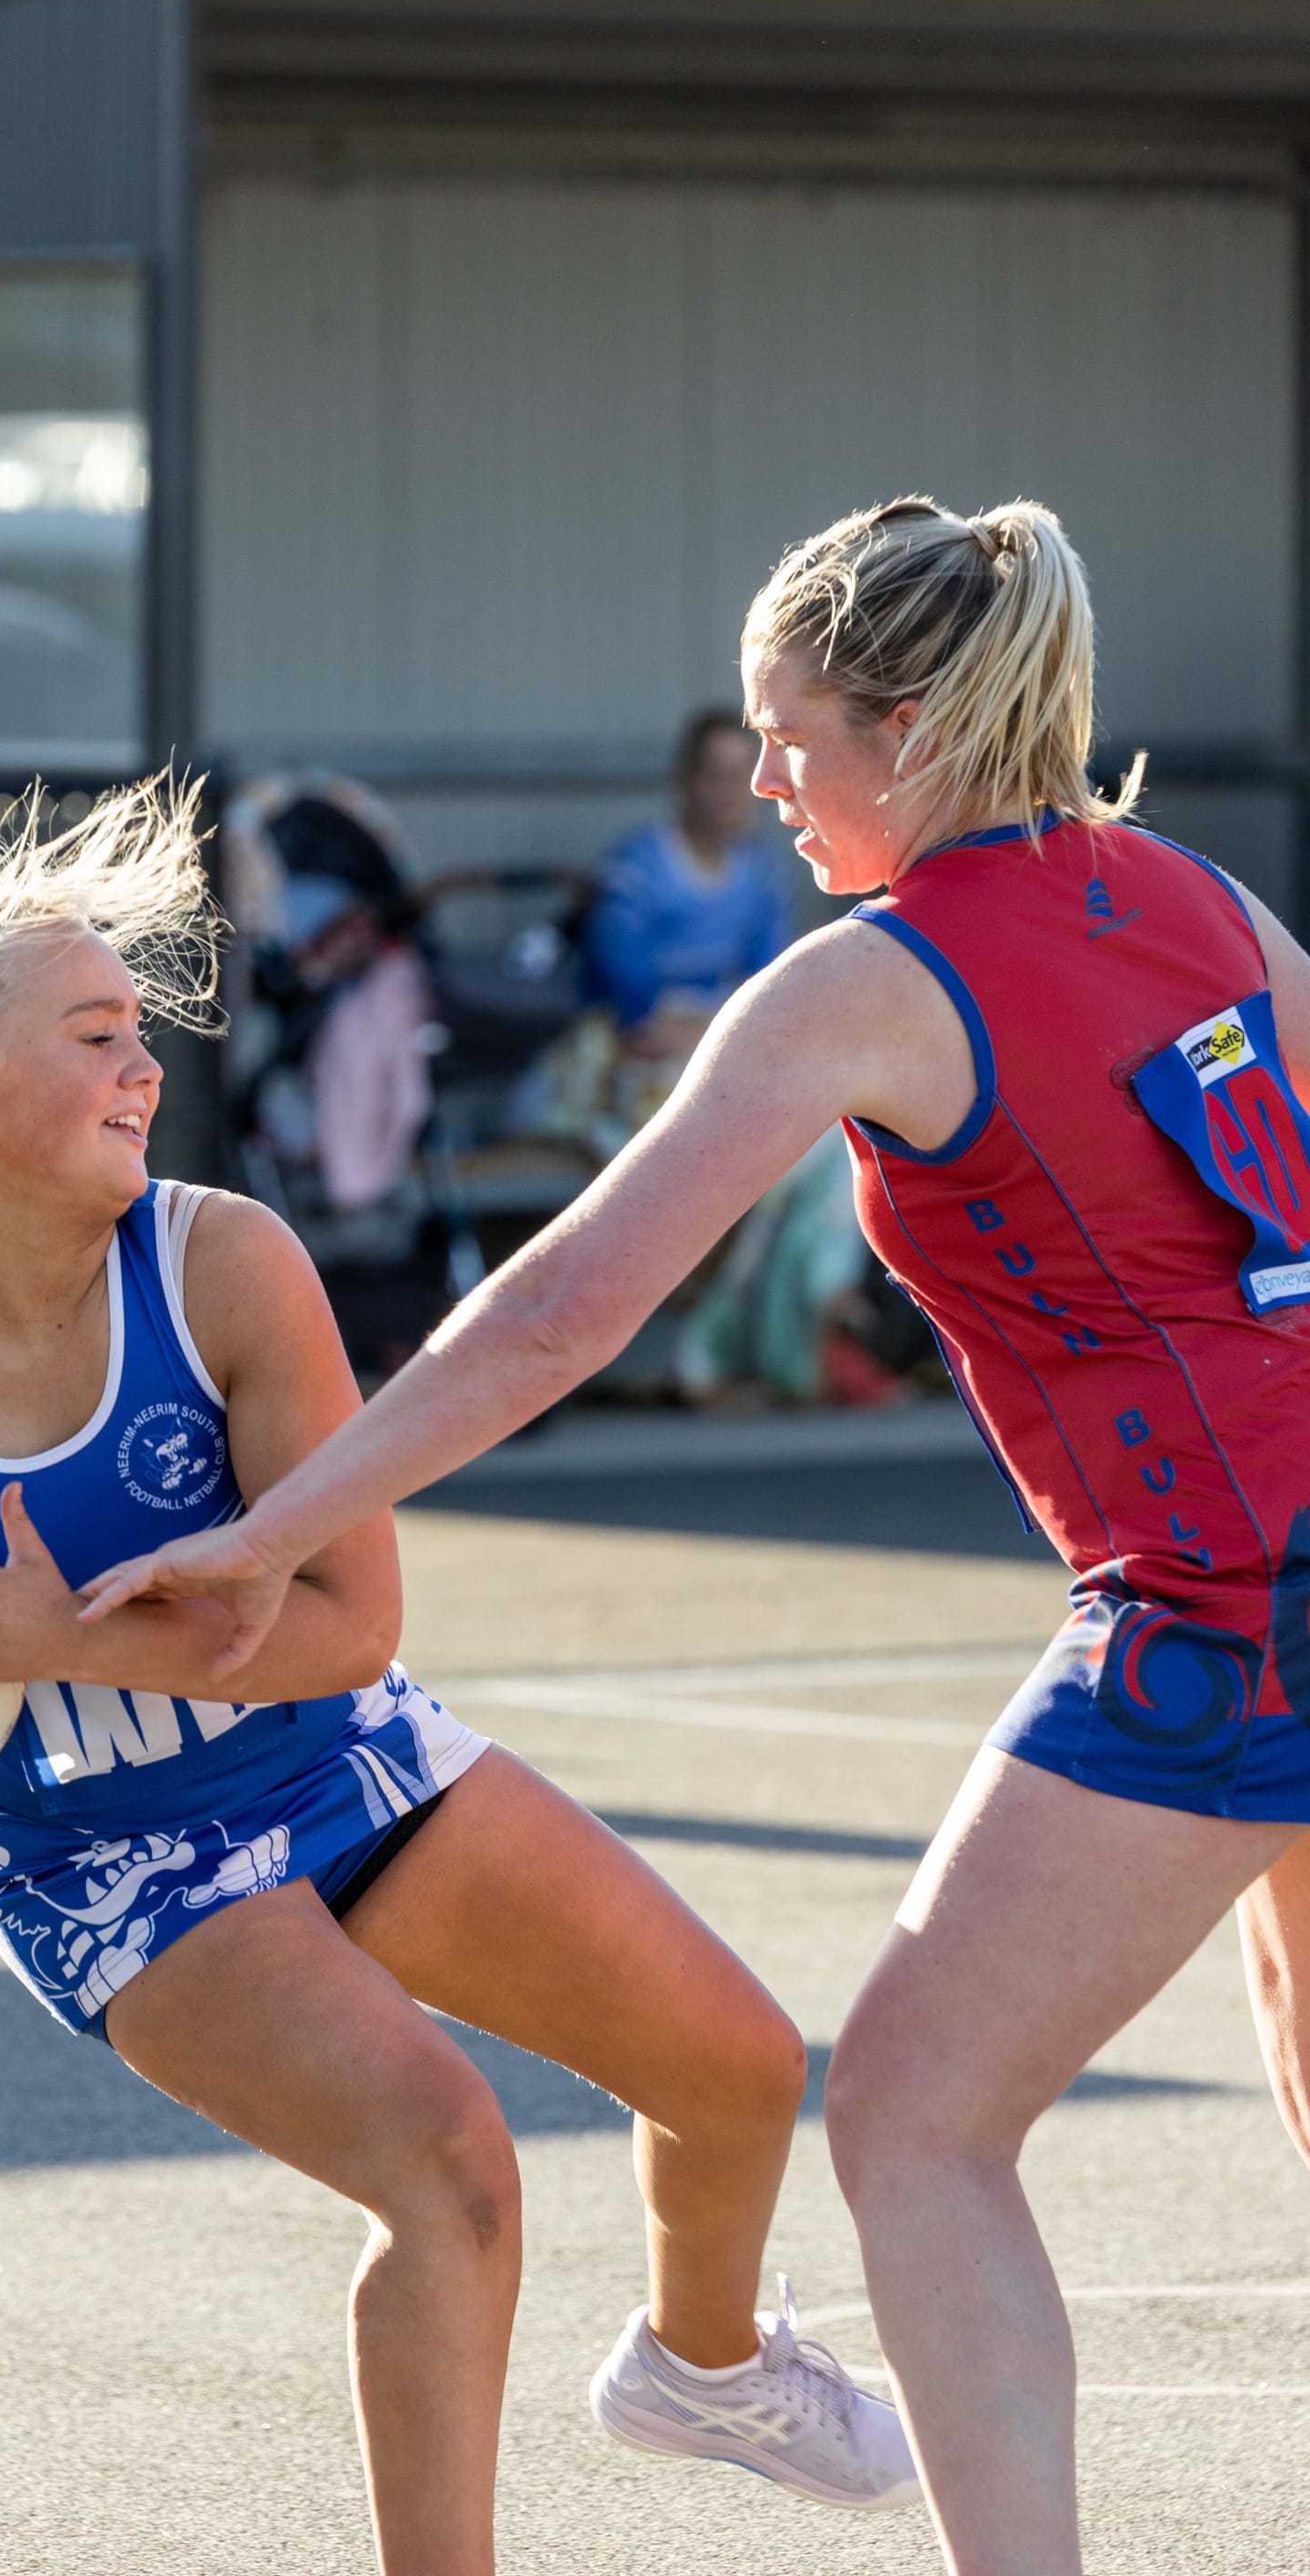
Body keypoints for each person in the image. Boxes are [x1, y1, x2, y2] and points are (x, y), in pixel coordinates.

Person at [63, 502, 1310, 2576]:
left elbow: (561, 1306)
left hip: (1213, 1606)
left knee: (913, 2120)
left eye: (781, 729)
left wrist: (278, 1528)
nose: (758, 778)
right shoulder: (1187, 892)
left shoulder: (873, 979)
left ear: (897, 725)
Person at [0, 780, 918, 2576]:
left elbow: (349, 1621)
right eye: (96, 1035)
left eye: (143, 1036)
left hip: (338, 1756)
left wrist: (58, 1639)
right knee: (449, 2174)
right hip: (105, 1855)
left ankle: (705, 2369)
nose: (143, 1067)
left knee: (732, 2068)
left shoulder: (221, 1267)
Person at [581, 704, 793, 1064]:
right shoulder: (634, 868)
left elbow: (769, 975)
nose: (733, 792)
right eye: (717, 775)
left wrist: (722, 1029)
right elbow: (628, 990)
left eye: (743, 774)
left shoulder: (765, 869)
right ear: (685, 779)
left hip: (729, 1031)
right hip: (643, 1039)